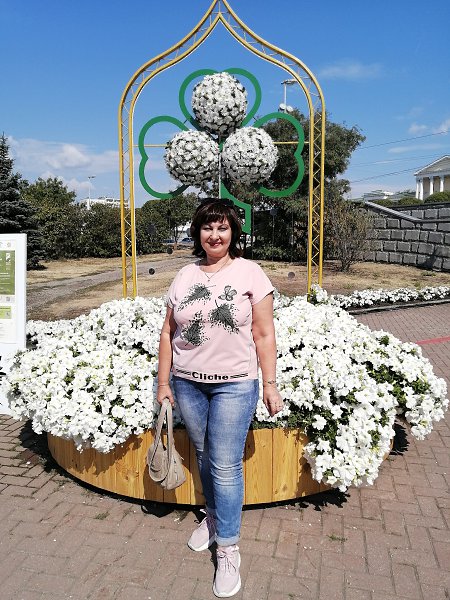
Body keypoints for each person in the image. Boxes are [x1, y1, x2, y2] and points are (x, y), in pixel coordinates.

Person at [157, 197, 283, 598]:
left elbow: (264, 333)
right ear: (197, 233)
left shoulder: (250, 273)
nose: (215, 235)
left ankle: (228, 548)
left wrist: (269, 383)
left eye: (222, 228)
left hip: (234, 384)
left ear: (233, 233)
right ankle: (212, 518)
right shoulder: (184, 275)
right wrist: (163, 384)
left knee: (225, 465)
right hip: (188, 383)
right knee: (203, 454)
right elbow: (168, 333)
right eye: (208, 228)